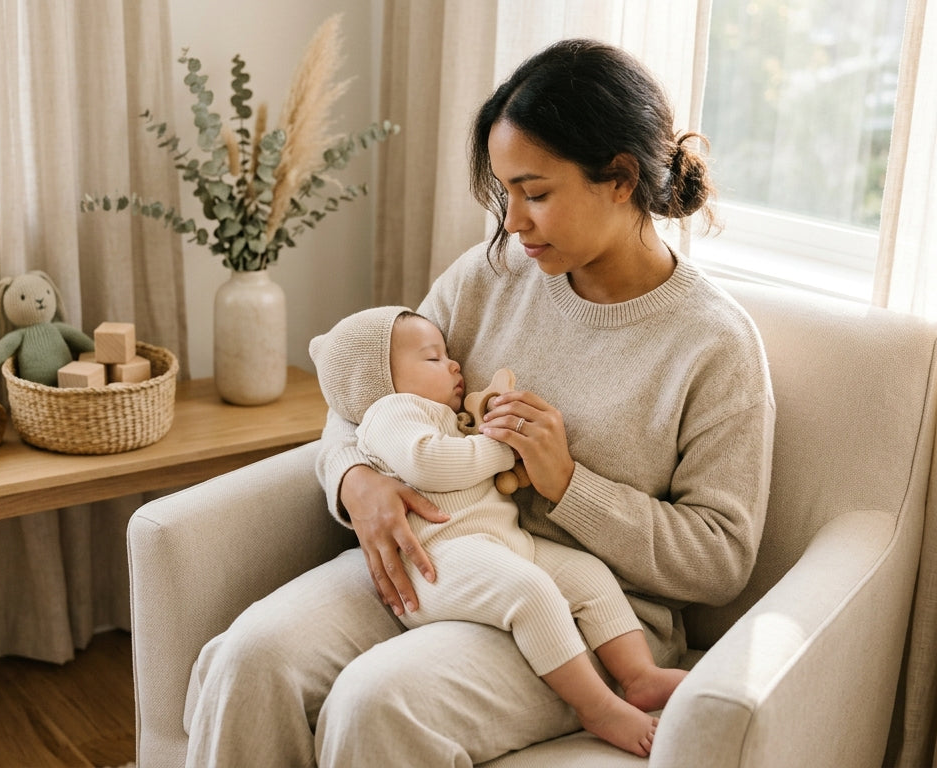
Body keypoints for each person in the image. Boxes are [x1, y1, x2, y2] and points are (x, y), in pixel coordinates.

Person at [184, 38, 775, 767]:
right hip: (438, 553)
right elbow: (362, 391)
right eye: (505, 193)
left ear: (620, 179)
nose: (514, 222)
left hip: (590, 618)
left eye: (536, 192)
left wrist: (568, 486)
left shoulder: (713, 344)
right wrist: (355, 480)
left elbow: (719, 559)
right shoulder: (491, 273)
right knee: (250, 657)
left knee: (377, 704)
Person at [308, 306, 686, 756]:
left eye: (447, 354)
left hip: (500, 542)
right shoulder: (391, 413)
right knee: (531, 591)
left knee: (587, 575)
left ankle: (638, 674)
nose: (454, 365)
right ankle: (598, 707)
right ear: (378, 382)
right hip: (439, 561)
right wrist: (503, 449)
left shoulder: (439, 414)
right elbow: (430, 462)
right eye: (433, 359)